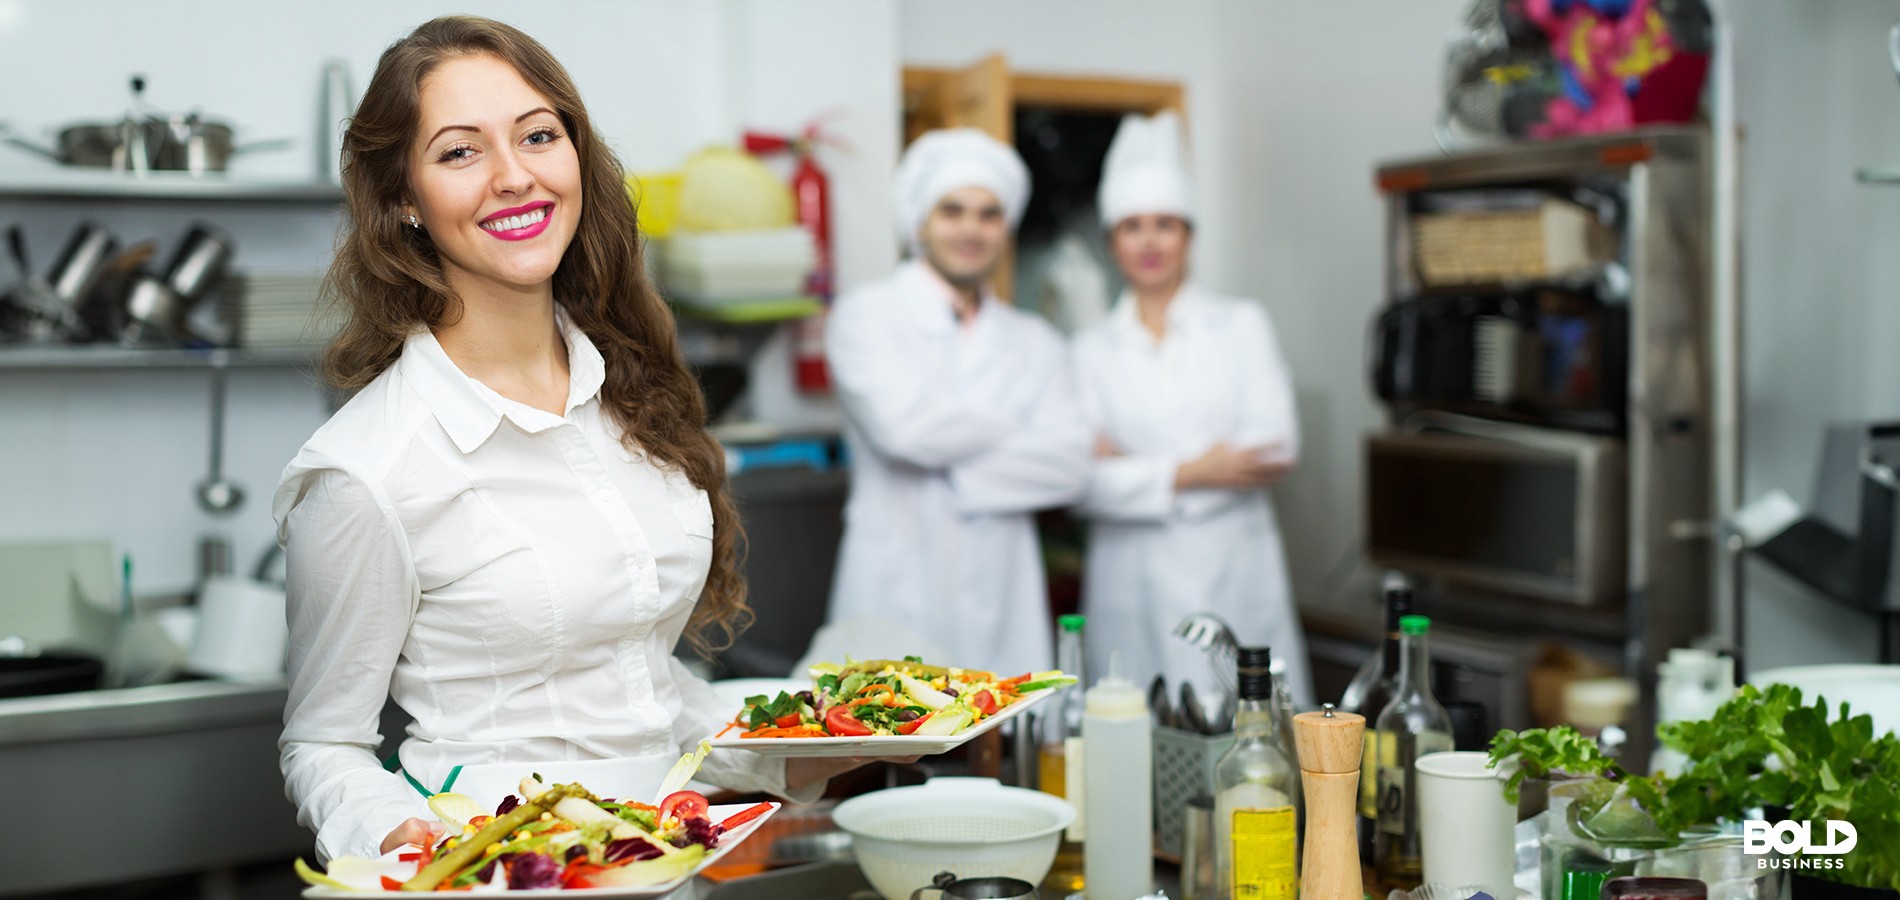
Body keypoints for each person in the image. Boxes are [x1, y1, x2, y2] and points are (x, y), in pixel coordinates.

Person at [273, 16, 845, 865]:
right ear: (403, 199)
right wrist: (396, 834)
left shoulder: (632, 393)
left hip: (667, 863)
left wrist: (819, 744)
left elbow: (642, 694)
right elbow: (322, 744)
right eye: (461, 152)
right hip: (505, 871)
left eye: (538, 136)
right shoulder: (369, 469)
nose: (515, 177)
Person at [824, 128, 1091, 679]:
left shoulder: (1035, 340)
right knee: (879, 740)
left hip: (1004, 592)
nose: (972, 228)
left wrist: (958, 470)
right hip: (895, 581)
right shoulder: (865, 316)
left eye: (989, 214)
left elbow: (1071, 462)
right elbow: (905, 433)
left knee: (1004, 739)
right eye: (953, 210)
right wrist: (1021, 427)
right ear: (920, 221)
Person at [1070, 111, 1313, 705]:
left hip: (1234, 568)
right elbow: (1078, 481)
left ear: (1189, 234)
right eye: (1132, 226)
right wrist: (1196, 469)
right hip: (1132, 578)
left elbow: (1277, 444)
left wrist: (1134, 465)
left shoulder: (1240, 324)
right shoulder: (1086, 350)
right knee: (1134, 733)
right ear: (1111, 242)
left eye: (1165, 224)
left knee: (1251, 737)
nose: (1149, 241)